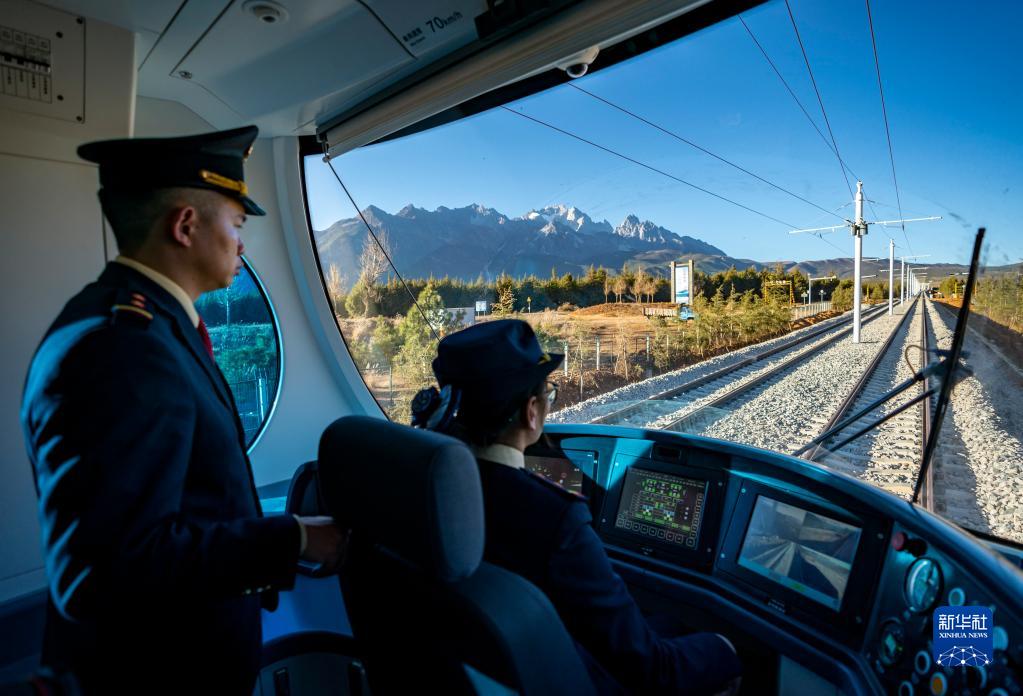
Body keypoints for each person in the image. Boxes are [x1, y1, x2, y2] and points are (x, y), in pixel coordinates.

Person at [20, 126, 346, 694]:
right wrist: (291, 538)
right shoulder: (122, 350)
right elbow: (112, 569)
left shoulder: (148, 326)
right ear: (185, 225)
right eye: (237, 224)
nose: (242, 244)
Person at [416, 319, 742, 695]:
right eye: (548, 396)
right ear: (532, 412)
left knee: (667, 623)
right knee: (716, 651)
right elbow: (652, 670)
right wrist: (726, 648)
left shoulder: (424, 489)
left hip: (479, 669)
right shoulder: (555, 518)